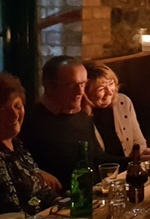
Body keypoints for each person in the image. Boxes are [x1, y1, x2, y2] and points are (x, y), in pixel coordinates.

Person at [20, 56, 127, 190]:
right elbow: (18, 167)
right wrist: (36, 173)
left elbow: (99, 159)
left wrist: (136, 161)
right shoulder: (28, 121)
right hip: (54, 204)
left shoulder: (83, 117)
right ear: (49, 86)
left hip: (91, 198)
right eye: (71, 85)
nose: (80, 92)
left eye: (83, 84)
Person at [0, 73, 61, 214]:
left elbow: (44, 192)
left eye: (17, 106)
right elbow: (12, 213)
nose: (14, 115)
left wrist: (66, 204)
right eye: (3, 110)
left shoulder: (16, 144)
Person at [84, 63, 150, 160]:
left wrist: (140, 156)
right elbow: (96, 159)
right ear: (87, 91)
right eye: (101, 89)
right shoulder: (82, 117)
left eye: (111, 84)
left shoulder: (123, 102)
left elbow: (139, 141)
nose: (110, 92)